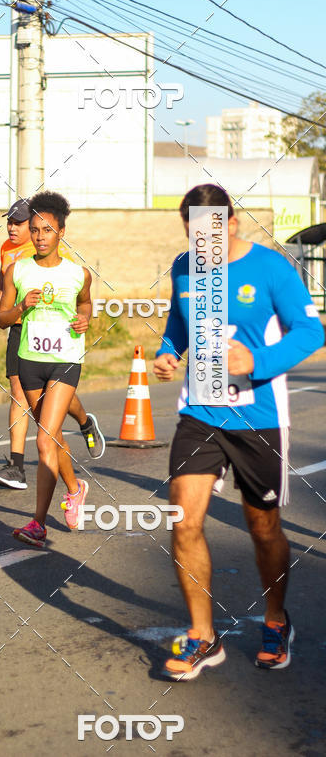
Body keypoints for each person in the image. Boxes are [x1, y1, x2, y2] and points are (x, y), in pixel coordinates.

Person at [153, 184, 324, 680]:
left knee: (263, 526)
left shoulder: (270, 268)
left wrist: (260, 360)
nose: (201, 244)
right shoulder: (184, 267)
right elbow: (176, 325)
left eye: (210, 231)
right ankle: (204, 637)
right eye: (192, 233)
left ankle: (275, 620)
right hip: (200, 412)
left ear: (231, 223)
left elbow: (310, 331)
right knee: (183, 520)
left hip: (259, 415)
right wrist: (170, 353)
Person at [0, 197, 104, 490]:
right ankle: (17, 466)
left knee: (49, 411)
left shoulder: (48, 250)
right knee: (19, 395)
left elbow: (79, 295)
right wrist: (2, 300)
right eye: (9, 222)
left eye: (18, 223)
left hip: (59, 342)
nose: (11, 228)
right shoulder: (7, 251)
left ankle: (84, 421)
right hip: (21, 332)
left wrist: (83, 317)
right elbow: (5, 292)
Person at [0, 191, 92, 547]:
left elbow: (85, 305)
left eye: (47, 230)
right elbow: (2, 320)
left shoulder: (78, 273)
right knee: (52, 437)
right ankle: (75, 487)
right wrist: (21, 306)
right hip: (30, 362)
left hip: (65, 360)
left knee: (43, 438)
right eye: (35, 230)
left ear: (61, 233)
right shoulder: (16, 270)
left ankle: (38, 523)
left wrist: (84, 320)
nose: (39, 236)